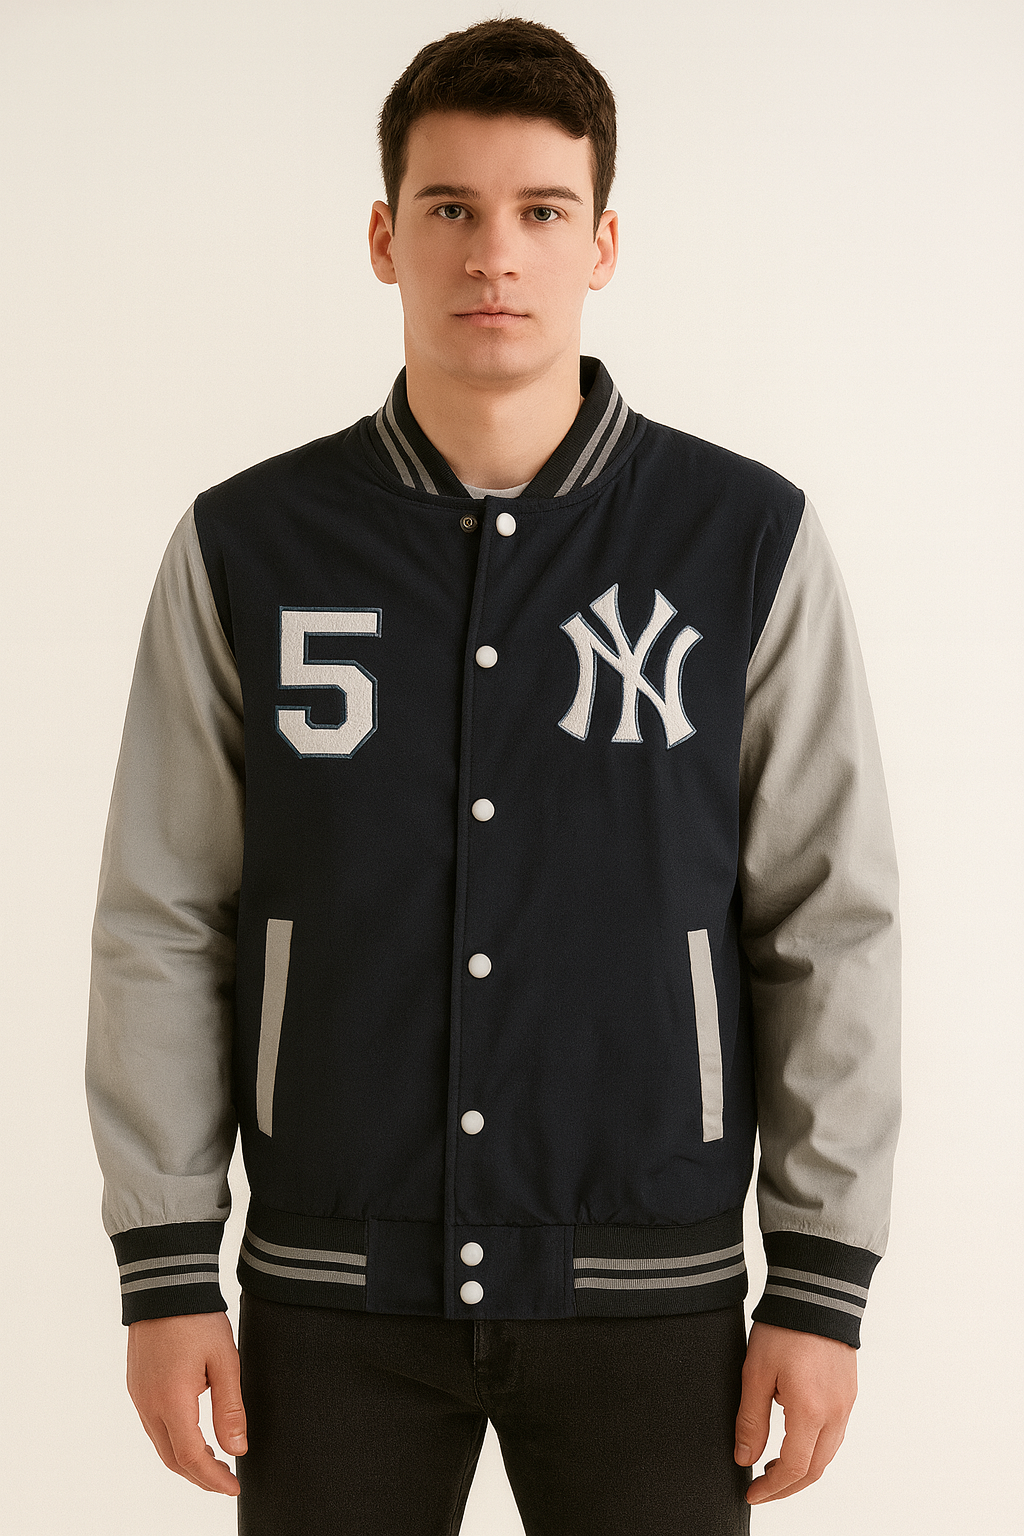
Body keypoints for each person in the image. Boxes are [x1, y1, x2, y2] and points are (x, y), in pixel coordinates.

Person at [85, 17, 901, 1535]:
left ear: (603, 245)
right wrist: (167, 1264)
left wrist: (820, 1281)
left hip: (655, 1299)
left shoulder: (745, 543)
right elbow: (164, 916)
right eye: (451, 207)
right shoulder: (248, 548)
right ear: (383, 237)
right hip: (330, 1302)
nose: (494, 254)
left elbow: (827, 921)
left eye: (540, 211)